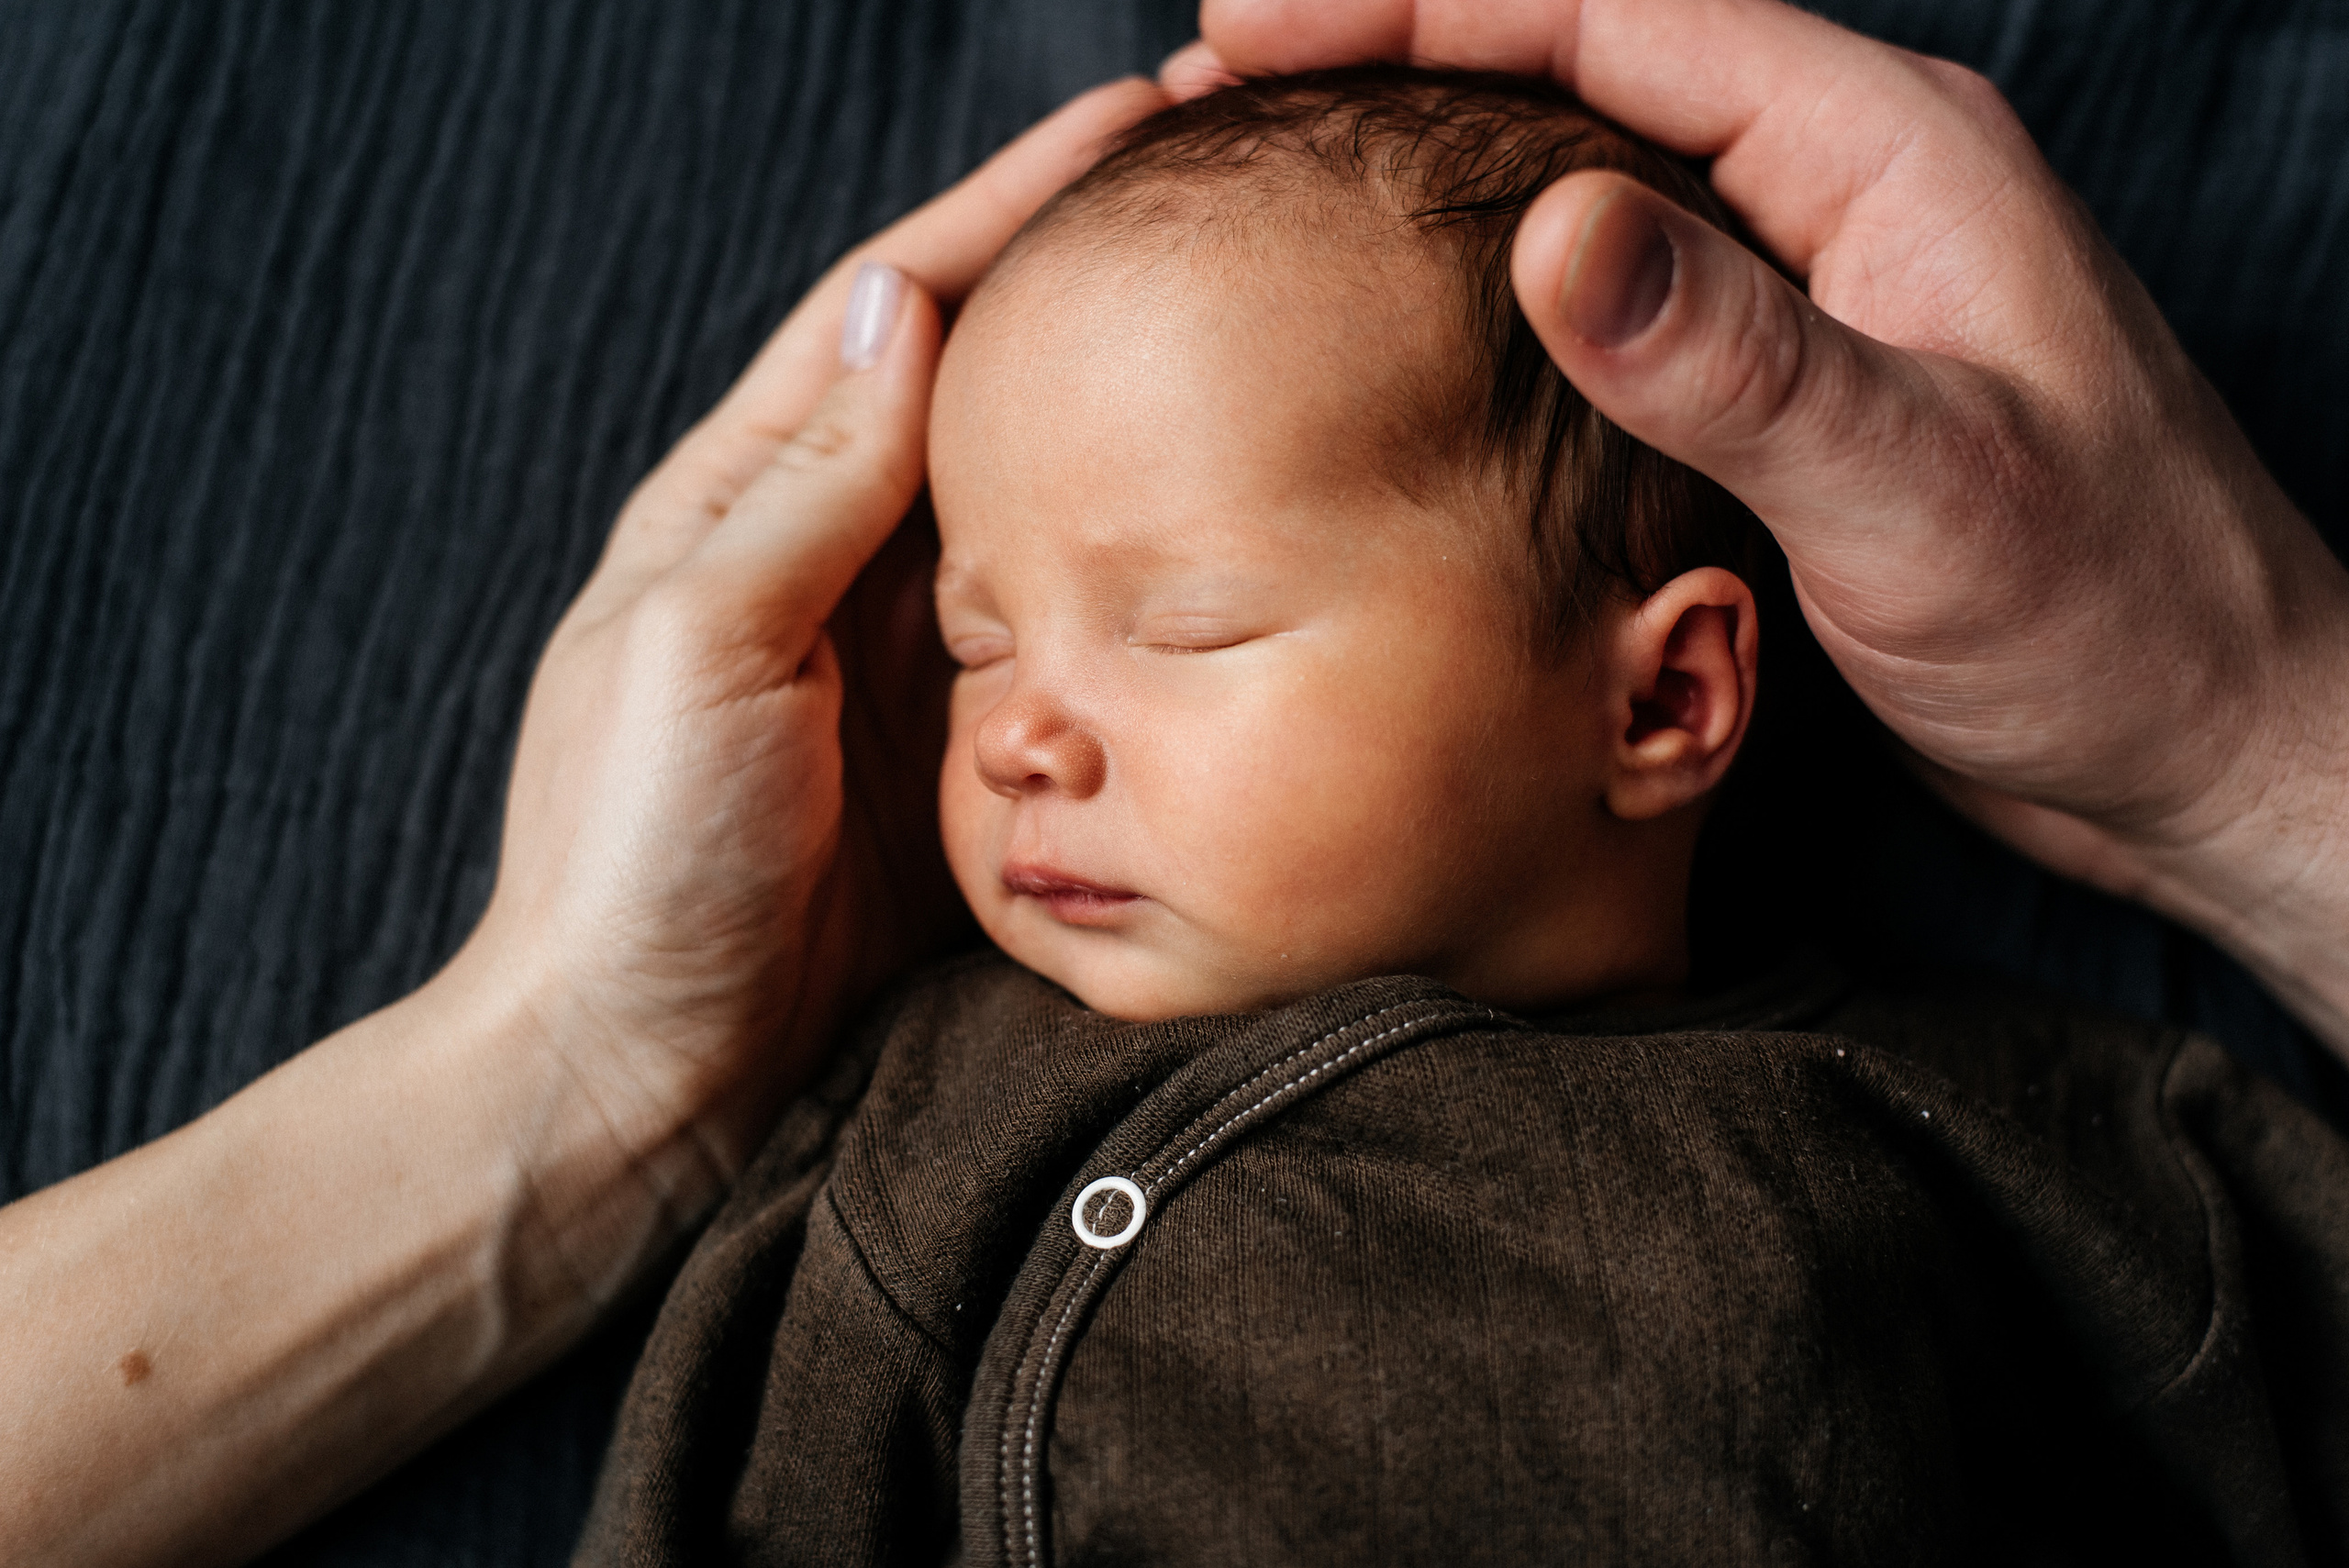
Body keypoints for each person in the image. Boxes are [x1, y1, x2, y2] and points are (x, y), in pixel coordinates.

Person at [3, 0, 2343, 1562]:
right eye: (974, 636)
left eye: (1190, 623)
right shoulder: (934, 1106)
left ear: (1660, 705)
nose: (1015, 723)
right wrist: (566, 1055)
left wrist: (2259, 752)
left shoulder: (1995, 1130)